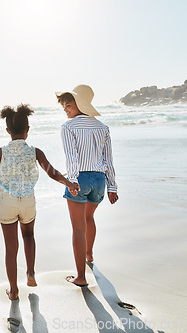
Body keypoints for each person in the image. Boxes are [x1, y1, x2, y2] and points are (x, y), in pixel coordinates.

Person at [0, 104, 79, 300]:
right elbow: (52, 173)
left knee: (11, 248)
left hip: (7, 203)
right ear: (27, 130)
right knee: (28, 236)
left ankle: (13, 291)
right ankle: (30, 273)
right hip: (28, 201)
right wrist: (69, 183)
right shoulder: (36, 152)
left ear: (7, 131)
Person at [56, 84, 118, 287]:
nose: (65, 108)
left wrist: (72, 180)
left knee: (78, 228)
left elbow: (71, 157)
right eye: (63, 105)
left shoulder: (68, 127)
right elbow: (108, 159)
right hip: (99, 180)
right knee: (89, 217)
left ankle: (81, 277)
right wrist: (112, 187)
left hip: (79, 179)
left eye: (68, 104)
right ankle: (89, 254)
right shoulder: (103, 128)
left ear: (80, 104)